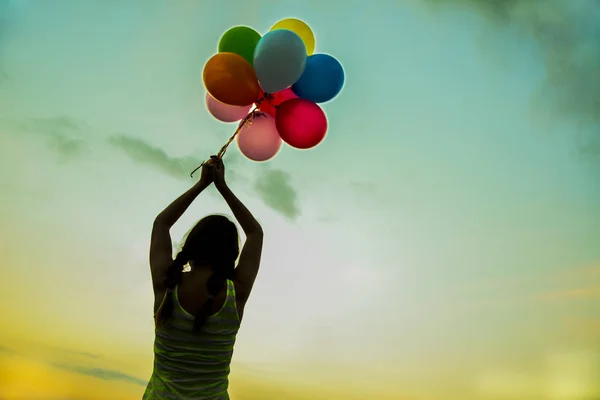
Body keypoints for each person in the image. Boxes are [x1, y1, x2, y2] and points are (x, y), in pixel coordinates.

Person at [143, 156, 264, 400]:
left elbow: (161, 224)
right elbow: (255, 232)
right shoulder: (235, 293)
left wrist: (202, 184)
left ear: (191, 245)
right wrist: (223, 187)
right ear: (232, 254)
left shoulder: (167, 285)